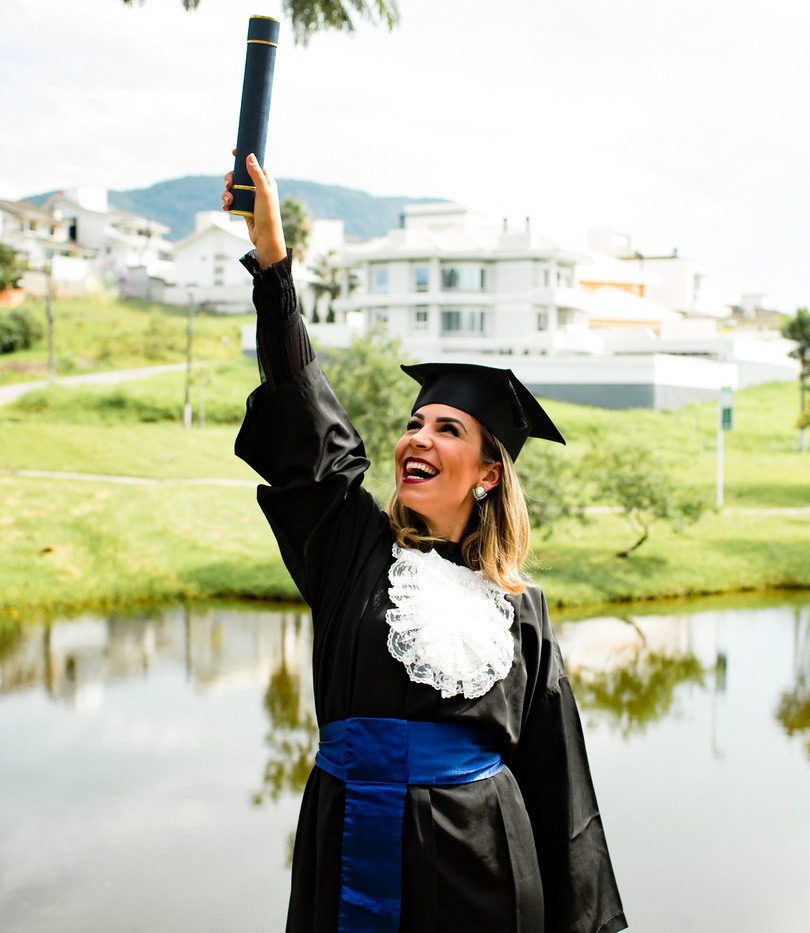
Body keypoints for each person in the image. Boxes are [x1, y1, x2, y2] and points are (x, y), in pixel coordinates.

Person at [225, 152, 627, 933]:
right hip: (351, 843)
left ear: (487, 473)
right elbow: (307, 422)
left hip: (488, 867)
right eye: (415, 422)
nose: (419, 436)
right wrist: (273, 266)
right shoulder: (351, 550)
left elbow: (560, 780)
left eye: (448, 429)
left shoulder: (520, 609)